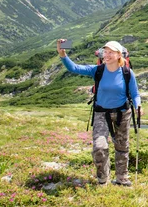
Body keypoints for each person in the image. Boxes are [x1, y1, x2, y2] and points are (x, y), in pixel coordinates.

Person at [57, 39, 142, 186]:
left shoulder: (127, 72)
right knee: (99, 147)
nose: (106, 55)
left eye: (110, 52)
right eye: (105, 52)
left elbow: (135, 93)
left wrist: (138, 106)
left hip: (123, 113)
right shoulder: (98, 70)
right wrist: (62, 54)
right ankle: (103, 179)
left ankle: (122, 178)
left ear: (118, 55)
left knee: (122, 147)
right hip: (101, 113)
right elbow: (74, 68)